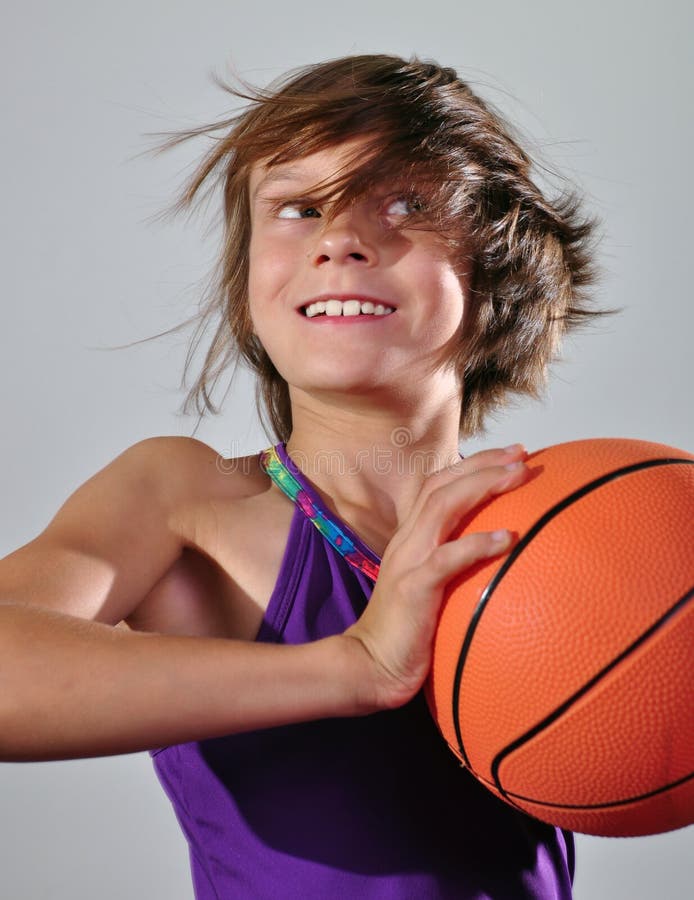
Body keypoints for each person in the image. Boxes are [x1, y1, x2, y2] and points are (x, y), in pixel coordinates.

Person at [0, 54, 606, 898]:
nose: (340, 240)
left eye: (407, 203)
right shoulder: (190, 505)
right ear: (251, 278)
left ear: (498, 266)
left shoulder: (561, 530)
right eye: (300, 207)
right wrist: (354, 666)